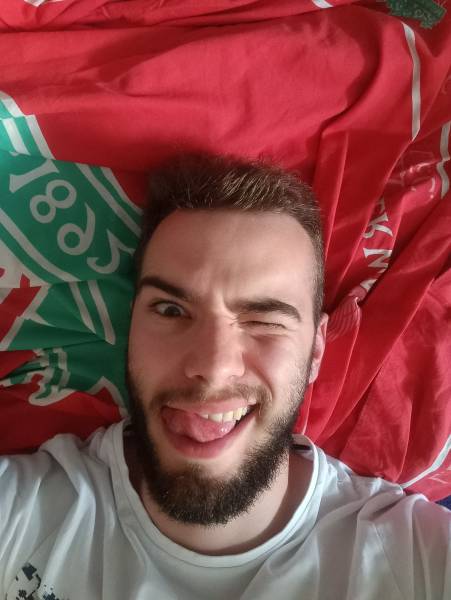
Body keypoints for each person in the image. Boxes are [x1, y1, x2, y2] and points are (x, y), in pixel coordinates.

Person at [0, 153, 449, 600]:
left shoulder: (414, 558)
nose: (212, 369)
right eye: (170, 310)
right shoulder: (21, 515)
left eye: (264, 321)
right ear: (131, 325)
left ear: (316, 350)